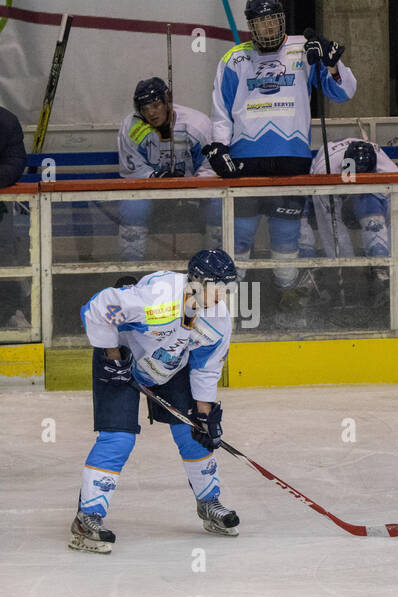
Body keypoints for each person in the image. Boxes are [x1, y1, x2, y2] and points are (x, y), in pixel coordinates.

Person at [69, 250, 240, 554]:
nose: (222, 294)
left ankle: (209, 503)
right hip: (123, 360)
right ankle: (87, 518)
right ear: (196, 280)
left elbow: (206, 366)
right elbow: (97, 307)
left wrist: (204, 414)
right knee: (118, 439)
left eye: (227, 286)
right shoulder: (159, 300)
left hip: (171, 366)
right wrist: (112, 356)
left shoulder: (218, 320)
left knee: (194, 434)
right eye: (217, 285)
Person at [207, 0, 356, 311]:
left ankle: (287, 294)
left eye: (272, 20)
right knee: (241, 236)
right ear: (251, 25)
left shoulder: (304, 48)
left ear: (281, 21)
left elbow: (344, 92)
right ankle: (230, 301)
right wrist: (219, 146)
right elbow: (221, 112)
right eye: (260, 23)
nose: (268, 28)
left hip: (292, 156)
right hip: (245, 158)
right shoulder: (233, 59)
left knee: (286, 235)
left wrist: (331, 65)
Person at [117, 77, 221, 262]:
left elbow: (210, 167)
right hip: (152, 193)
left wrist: (191, 185)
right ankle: (131, 269)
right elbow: (131, 172)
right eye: (144, 108)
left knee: (217, 203)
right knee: (132, 206)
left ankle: (214, 263)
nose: (151, 113)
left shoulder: (197, 124)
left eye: (156, 105)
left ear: (167, 102)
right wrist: (155, 178)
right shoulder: (131, 127)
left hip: (195, 192)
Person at [297, 137, 398, 308]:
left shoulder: (389, 172)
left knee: (373, 212)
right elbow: (329, 223)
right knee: (297, 213)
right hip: (328, 184)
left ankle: (380, 269)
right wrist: (345, 266)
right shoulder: (324, 171)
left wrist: (394, 258)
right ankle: (308, 266)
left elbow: (396, 217)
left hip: (368, 188)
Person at [0, 105, 29, 330]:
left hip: (0, 207)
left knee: (6, 255)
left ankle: (10, 311)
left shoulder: (7, 121)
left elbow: (15, 161)